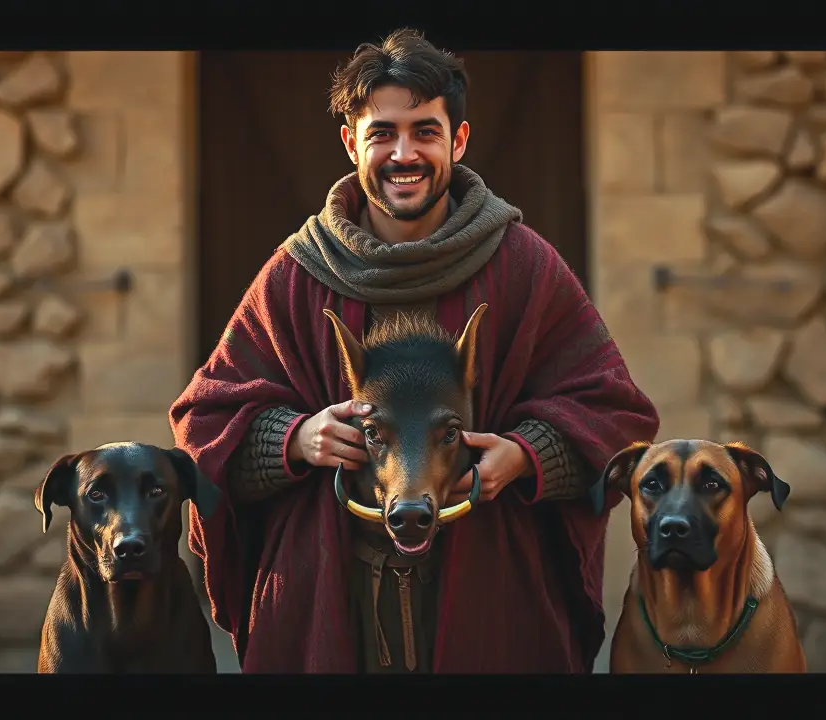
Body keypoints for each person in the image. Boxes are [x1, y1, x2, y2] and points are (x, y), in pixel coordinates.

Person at [169, 28, 660, 673]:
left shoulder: (523, 267)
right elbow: (202, 421)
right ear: (351, 141)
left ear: (458, 140)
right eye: (383, 133)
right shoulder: (296, 274)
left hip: (493, 601)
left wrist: (527, 455)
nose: (405, 154)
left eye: (425, 131)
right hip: (328, 603)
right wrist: (290, 440)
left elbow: (616, 413)